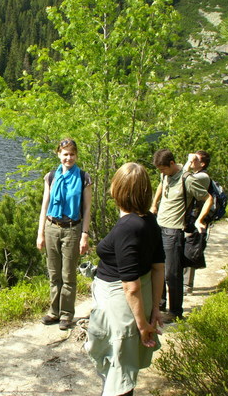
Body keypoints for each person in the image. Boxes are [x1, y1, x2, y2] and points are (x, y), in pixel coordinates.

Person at [85, 162, 165, 396]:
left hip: (122, 307)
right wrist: (155, 309)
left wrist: (142, 325)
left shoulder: (127, 227)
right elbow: (158, 269)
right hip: (140, 302)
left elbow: (131, 287)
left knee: (118, 372)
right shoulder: (149, 220)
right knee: (122, 368)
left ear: (118, 189)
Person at [36, 138, 92, 330]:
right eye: (65, 154)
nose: (68, 158)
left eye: (72, 154)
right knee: (54, 273)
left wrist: (85, 234)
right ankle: (54, 311)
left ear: (76, 155)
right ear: (58, 154)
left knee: (68, 274)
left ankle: (66, 314)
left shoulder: (84, 178)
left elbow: (87, 209)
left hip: (72, 228)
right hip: (52, 227)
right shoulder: (50, 177)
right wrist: (40, 233)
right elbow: (44, 206)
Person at [150, 149, 210, 322]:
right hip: (159, 226)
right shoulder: (166, 174)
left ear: (171, 164)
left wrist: (200, 219)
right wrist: (154, 204)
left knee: (172, 273)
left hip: (174, 231)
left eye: (163, 169)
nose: (161, 173)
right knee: (157, 269)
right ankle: (160, 305)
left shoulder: (187, 179)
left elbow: (208, 199)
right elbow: (162, 184)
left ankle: (176, 312)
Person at [181, 151, 214, 295]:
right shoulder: (197, 175)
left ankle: (186, 285)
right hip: (189, 218)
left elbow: (181, 179)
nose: (192, 161)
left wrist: (187, 163)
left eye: (196, 160)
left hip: (194, 219)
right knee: (185, 248)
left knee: (190, 250)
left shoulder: (202, 177)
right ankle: (183, 283)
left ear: (203, 164)